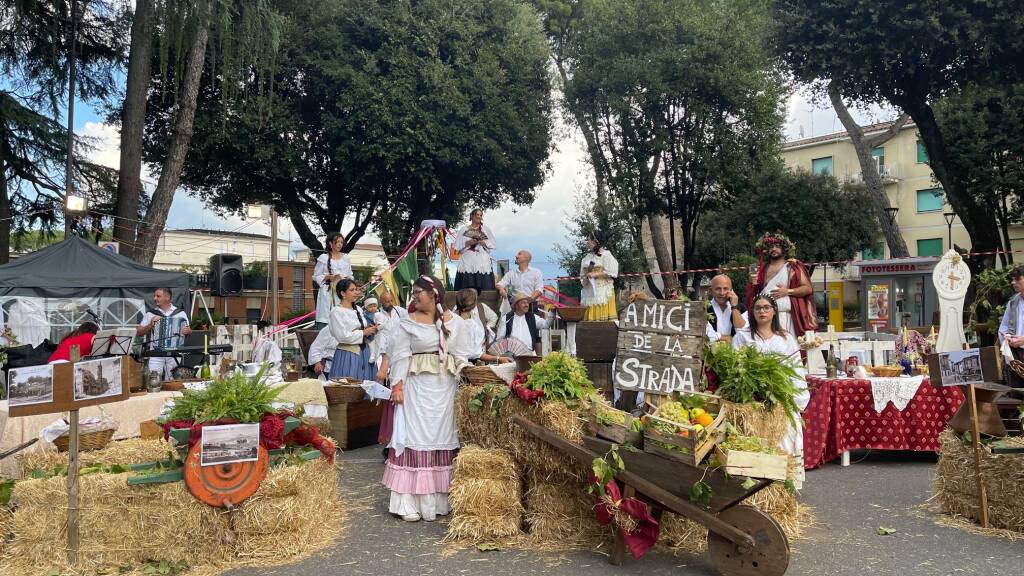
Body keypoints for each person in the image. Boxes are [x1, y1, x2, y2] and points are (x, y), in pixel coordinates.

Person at [383, 275, 469, 522]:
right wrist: (397, 385)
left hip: (445, 387)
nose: (414, 296)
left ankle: (438, 500)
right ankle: (408, 501)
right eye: (413, 291)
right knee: (415, 436)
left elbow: (461, 353)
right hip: (417, 387)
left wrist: (466, 371)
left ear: (433, 294)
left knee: (441, 437)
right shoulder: (406, 323)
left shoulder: (454, 322)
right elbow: (399, 355)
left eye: (418, 291)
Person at [733, 294, 809, 488]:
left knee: (785, 438)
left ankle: (784, 484)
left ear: (774, 311)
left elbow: (796, 368)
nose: (762, 311)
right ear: (752, 312)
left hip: (781, 397)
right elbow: (735, 369)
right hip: (753, 398)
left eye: (766, 307)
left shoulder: (785, 338)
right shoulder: (743, 336)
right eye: (758, 308)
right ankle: (756, 486)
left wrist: (797, 397)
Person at [745, 232, 816, 338]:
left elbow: (807, 289)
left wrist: (787, 291)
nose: (774, 249)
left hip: (786, 318)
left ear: (784, 249)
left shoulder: (792, 267)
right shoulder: (762, 269)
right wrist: (752, 283)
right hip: (765, 319)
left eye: (777, 246)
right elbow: (756, 294)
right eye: (771, 247)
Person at [137, 287, 192, 380]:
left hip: (174, 351)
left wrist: (188, 331)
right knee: (153, 380)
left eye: (158, 296)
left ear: (167, 297)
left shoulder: (180, 313)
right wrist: (150, 325)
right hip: (156, 352)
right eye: (154, 296)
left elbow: (188, 331)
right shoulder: (151, 314)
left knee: (173, 380)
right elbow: (139, 332)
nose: (155, 298)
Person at [328, 279, 378, 381]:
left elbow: (360, 328)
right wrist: (363, 332)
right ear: (343, 293)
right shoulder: (337, 312)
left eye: (356, 289)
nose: (356, 292)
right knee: (348, 386)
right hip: (348, 354)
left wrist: (369, 330)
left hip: (364, 352)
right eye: (352, 290)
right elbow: (342, 336)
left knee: (365, 386)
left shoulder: (358, 309)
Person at [453, 288, 512, 364]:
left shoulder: (450, 321)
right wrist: (499, 359)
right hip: (467, 367)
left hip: (453, 365)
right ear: (474, 303)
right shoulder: (473, 327)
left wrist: (487, 329)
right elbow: (478, 354)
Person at [313, 232, 354, 330]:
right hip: (327, 293)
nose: (340, 244)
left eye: (341, 242)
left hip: (342, 292)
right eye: (337, 242)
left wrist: (347, 280)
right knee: (327, 316)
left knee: (342, 317)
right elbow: (316, 276)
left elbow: (350, 275)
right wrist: (327, 277)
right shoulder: (323, 258)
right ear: (330, 243)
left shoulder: (346, 258)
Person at [454, 208, 496, 293]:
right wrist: (469, 242)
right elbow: (457, 246)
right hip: (467, 260)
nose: (479, 217)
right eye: (477, 214)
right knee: (467, 286)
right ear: (472, 216)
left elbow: (493, 244)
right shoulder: (464, 229)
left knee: (484, 286)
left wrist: (482, 242)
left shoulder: (486, 229)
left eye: (481, 215)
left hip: (482, 260)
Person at [580, 233, 619, 321]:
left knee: (601, 318)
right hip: (589, 292)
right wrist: (584, 280)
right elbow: (582, 275)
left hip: (602, 290)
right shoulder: (587, 257)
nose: (587, 242)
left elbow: (612, 272)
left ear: (595, 241)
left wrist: (596, 274)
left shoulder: (606, 255)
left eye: (589, 240)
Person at [998, 266, 1024, 388]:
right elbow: (1003, 327)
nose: (1013, 282)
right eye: (1013, 279)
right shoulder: (1013, 302)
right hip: (1015, 354)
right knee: (1015, 391)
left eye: (1017, 279)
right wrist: (1007, 338)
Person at [706, 274, 746, 343]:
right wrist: (727, 338)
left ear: (731, 290)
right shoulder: (704, 308)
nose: (722, 293)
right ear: (711, 290)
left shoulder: (741, 308)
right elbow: (704, 333)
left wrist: (734, 307)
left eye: (725, 289)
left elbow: (743, 331)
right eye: (718, 289)